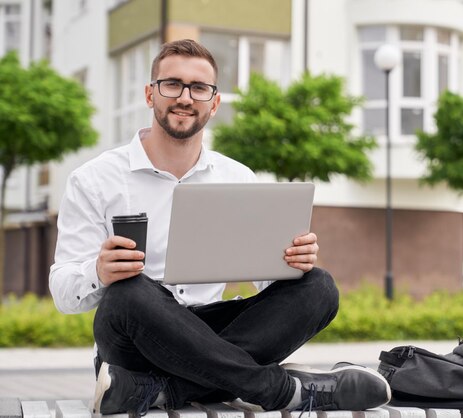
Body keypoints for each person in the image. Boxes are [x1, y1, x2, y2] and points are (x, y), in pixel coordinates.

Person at [49, 39, 390, 416]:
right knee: (128, 293)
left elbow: (268, 286)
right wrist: (98, 272)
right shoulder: (94, 179)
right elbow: (63, 291)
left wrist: (290, 263)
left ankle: (155, 391)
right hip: (134, 341)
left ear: (214, 102)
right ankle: (279, 390)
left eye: (199, 88)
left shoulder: (237, 177)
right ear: (150, 94)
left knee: (319, 287)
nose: (185, 97)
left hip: (214, 336)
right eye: (172, 84)